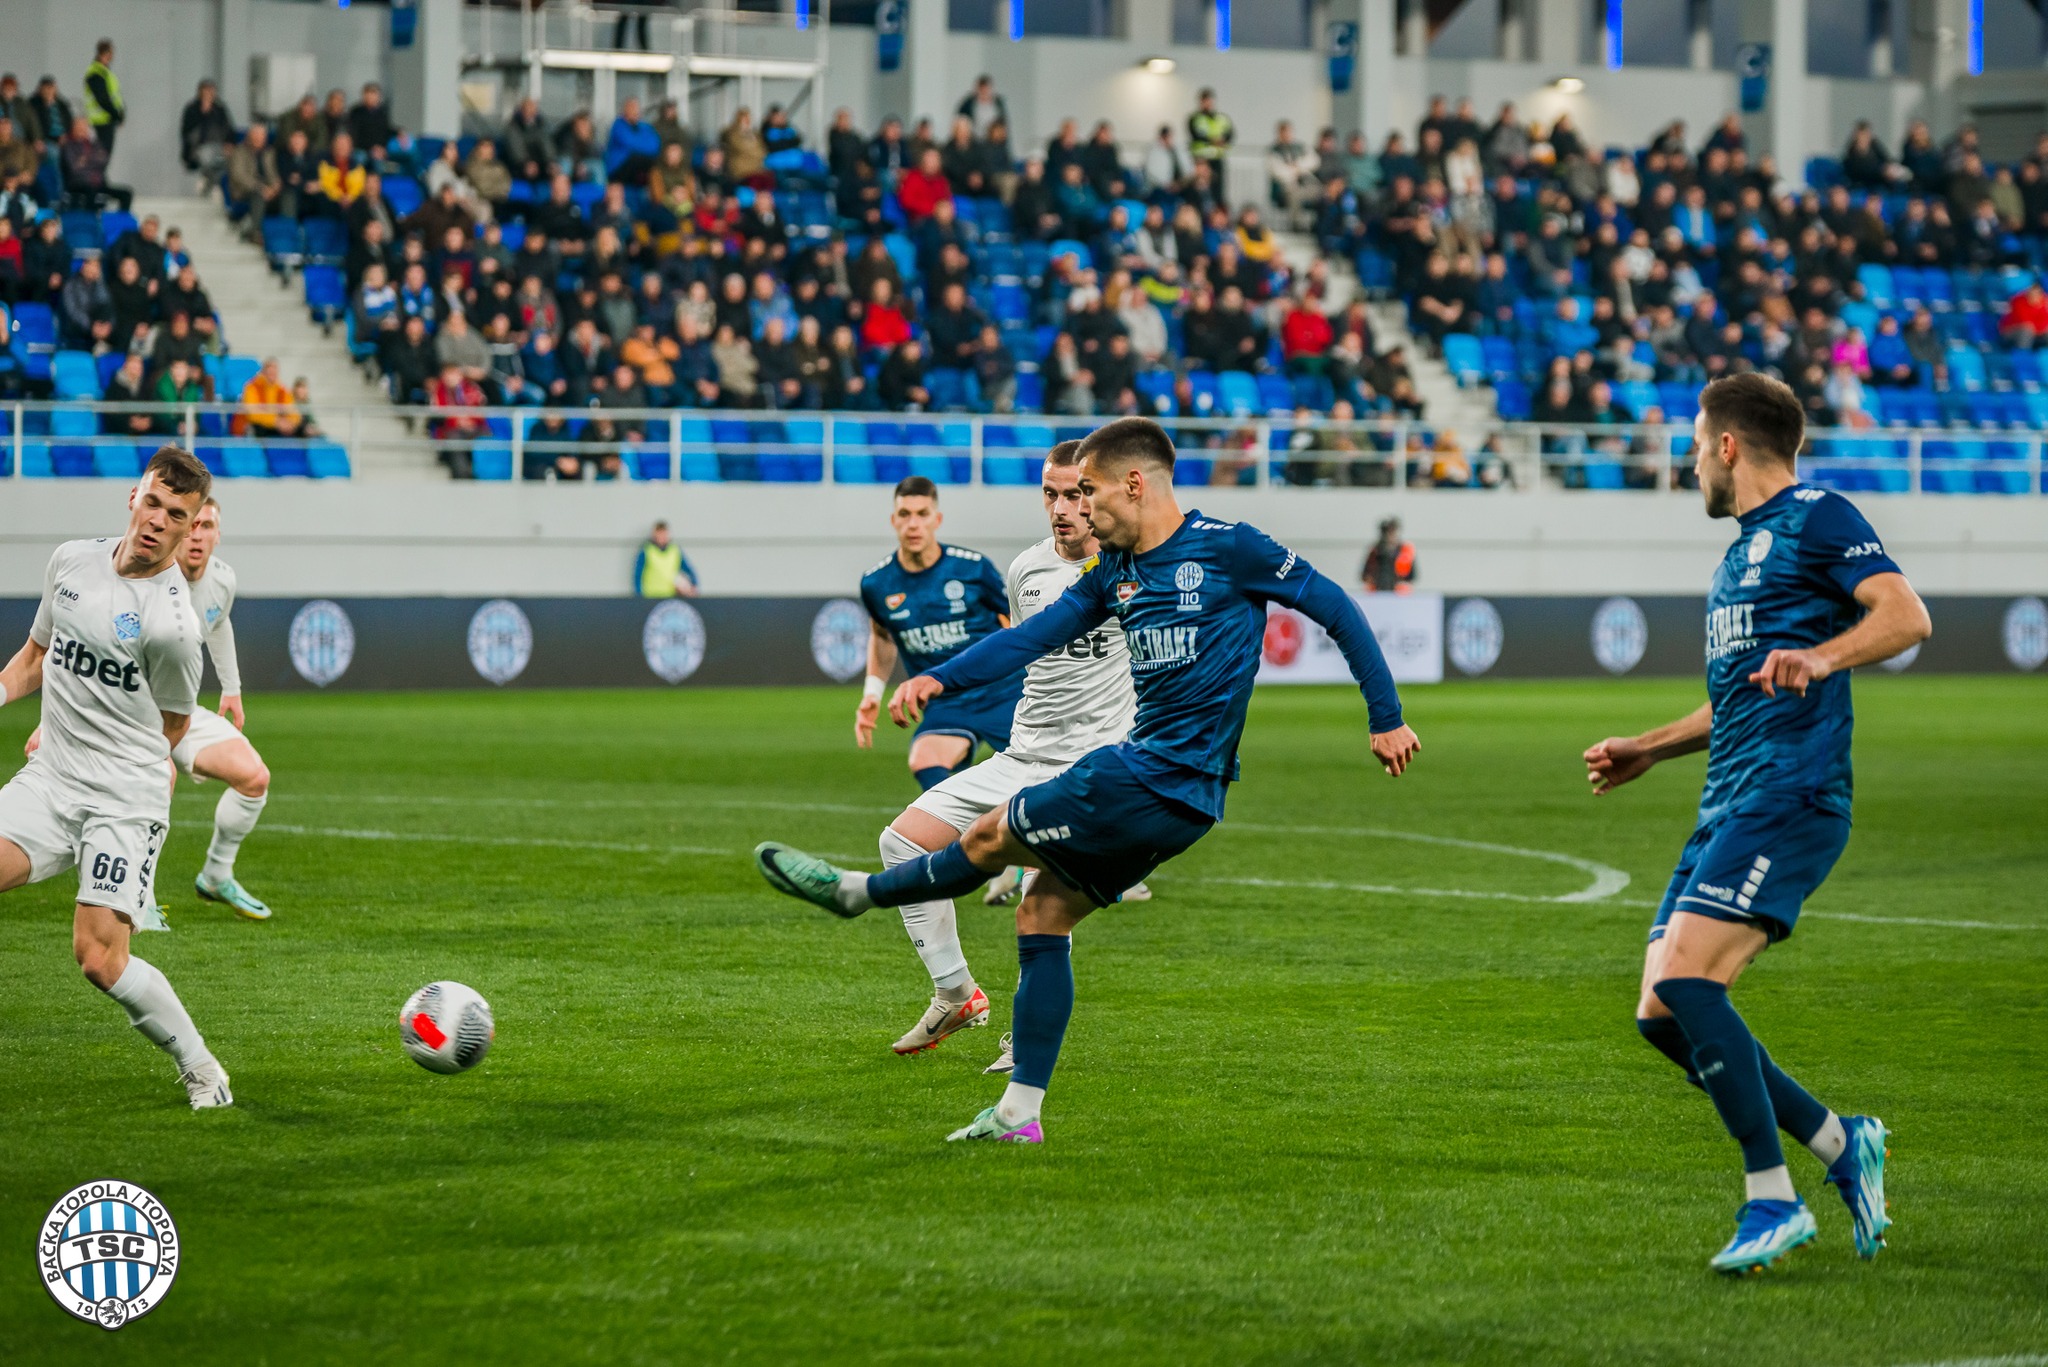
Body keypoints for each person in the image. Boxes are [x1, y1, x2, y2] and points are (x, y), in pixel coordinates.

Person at [755, 418, 1419, 1143]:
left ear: (1133, 484)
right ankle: (1018, 1115)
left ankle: (856, 893)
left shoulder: (1231, 548)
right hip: (1180, 797)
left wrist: (1385, 716)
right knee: (1041, 915)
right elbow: (1029, 637)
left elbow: (1336, 607)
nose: (1081, 509)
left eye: (1090, 491)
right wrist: (941, 678)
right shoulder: (1114, 573)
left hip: (1146, 774)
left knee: (990, 835)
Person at [1583, 373, 1930, 1275]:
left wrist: (1822, 656)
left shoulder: (1820, 517)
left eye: (1698, 445)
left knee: (1691, 983)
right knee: (1662, 1012)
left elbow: (1906, 615)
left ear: (1729, 446)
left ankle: (1771, 1197)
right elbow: (1737, 699)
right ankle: (1842, 1141)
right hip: (1727, 801)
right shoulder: (1738, 557)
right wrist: (1651, 746)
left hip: (1792, 794)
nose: (1693, 462)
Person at [856, 441, 1152, 1065]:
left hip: (1091, 767)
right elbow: (1018, 650)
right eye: (1051, 494)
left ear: (1099, 494)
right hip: (1022, 755)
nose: (1062, 508)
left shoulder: (1137, 570)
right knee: (901, 843)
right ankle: (955, 992)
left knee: (1039, 905)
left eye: (1075, 494)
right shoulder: (1026, 571)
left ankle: (1027, 1038)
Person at [0, 446, 234, 1109]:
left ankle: (202, 1068)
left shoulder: (175, 628)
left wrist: (105, 748)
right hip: (51, 779)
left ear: (192, 527)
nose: (159, 520)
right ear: (134, 497)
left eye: (177, 515)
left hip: (123, 797)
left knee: (100, 958)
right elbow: (36, 655)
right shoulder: (71, 561)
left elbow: (173, 727)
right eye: (153, 502)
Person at [29, 499, 276, 921]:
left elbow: (219, 623)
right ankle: (136, 899)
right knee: (161, 777)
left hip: (176, 714)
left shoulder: (223, 579)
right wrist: (48, 723)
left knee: (254, 778)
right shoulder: (144, 577)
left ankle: (216, 876)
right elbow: (82, 651)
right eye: (193, 525)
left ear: (218, 535)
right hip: (115, 714)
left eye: (208, 526)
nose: (198, 535)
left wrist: (232, 689)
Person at [852, 477, 1026, 814]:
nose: (913, 524)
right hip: (945, 700)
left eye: (922, 514)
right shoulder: (876, 583)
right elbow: (882, 636)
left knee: (1046, 777)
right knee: (924, 758)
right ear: (894, 520)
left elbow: (1018, 623)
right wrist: (872, 694)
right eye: (905, 514)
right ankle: (970, 837)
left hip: (1004, 692)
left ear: (937, 519)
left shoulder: (972, 568)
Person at [1187, 88, 1235, 203]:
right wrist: (1212, 140)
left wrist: (1222, 140)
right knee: (1201, 188)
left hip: (1217, 158)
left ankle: (1217, 210)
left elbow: (1230, 134)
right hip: (1202, 160)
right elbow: (1196, 134)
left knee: (1218, 189)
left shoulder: (1222, 118)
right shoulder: (1195, 118)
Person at [633, 520, 699, 598]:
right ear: (654, 535)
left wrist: (694, 584)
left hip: (670, 596)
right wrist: (639, 594)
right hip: (650, 596)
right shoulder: (647, 551)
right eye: (659, 534)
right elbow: (638, 575)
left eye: (664, 534)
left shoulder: (675, 550)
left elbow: (688, 569)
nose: (662, 537)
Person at [82, 39, 121, 155]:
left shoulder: (105, 71)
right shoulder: (96, 72)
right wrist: (116, 114)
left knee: (103, 156)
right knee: (100, 156)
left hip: (106, 120)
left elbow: (114, 96)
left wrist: (120, 113)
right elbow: (102, 98)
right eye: (109, 53)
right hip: (100, 121)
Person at [1361, 517, 1417, 593]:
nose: (1390, 536)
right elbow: (1365, 575)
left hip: (1399, 593)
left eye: (1393, 532)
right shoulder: (1375, 552)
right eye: (1388, 532)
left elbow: (1412, 576)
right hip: (1378, 592)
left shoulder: (1405, 551)